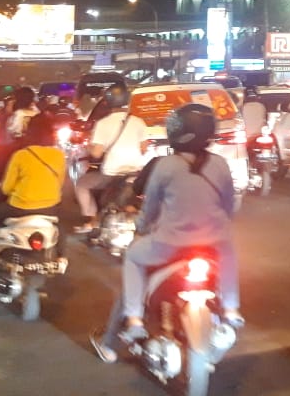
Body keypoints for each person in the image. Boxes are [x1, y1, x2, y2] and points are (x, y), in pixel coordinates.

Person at [91, 103, 242, 363]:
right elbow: (229, 204)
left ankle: (135, 321)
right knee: (228, 252)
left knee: (134, 258)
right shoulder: (220, 164)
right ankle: (231, 311)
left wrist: (140, 227)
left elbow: (149, 209)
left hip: (170, 245)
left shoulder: (166, 165)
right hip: (214, 244)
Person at [0, 112, 67, 283]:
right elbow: (60, 182)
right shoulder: (58, 155)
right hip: (50, 208)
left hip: (20, 207)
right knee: (60, 221)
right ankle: (61, 258)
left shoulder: (22, 155)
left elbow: (6, 188)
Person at [74, 84, 148, 234]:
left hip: (111, 174)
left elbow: (96, 153)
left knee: (82, 184)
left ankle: (92, 221)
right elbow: (143, 148)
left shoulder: (103, 123)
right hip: (135, 173)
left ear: (107, 102)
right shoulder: (138, 122)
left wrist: (90, 148)